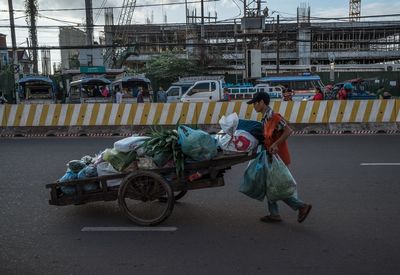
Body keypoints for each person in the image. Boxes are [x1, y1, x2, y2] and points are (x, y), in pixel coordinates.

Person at [247, 92, 312, 223]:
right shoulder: (264, 118)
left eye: (255, 103)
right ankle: (274, 214)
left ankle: (301, 206)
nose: (253, 106)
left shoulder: (274, 117)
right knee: (270, 185)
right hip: (271, 157)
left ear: (262, 102)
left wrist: (276, 144)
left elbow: (288, 130)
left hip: (279, 158)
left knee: (277, 186)